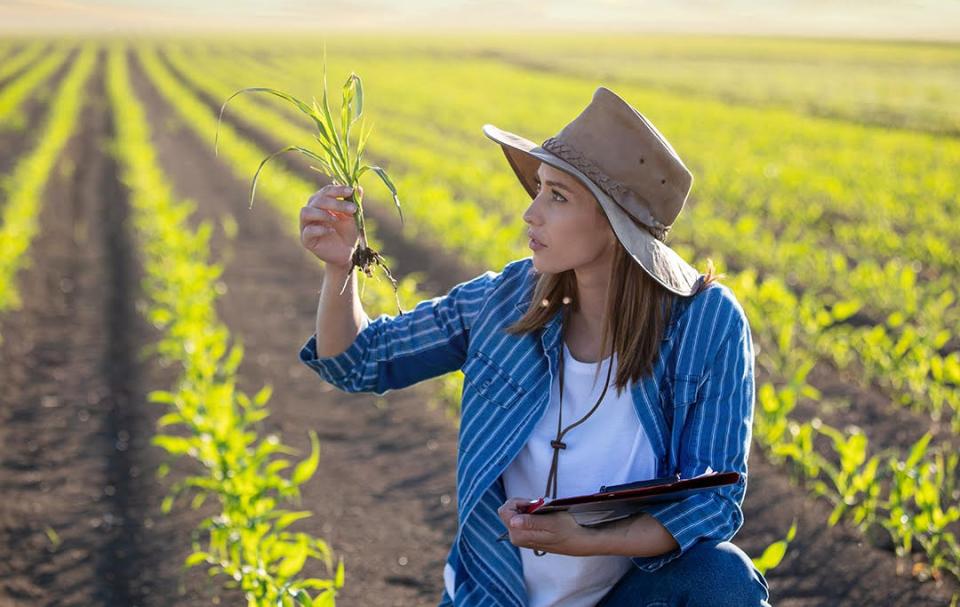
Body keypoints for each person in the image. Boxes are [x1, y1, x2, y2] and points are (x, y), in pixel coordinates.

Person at [297, 86, 771, 606]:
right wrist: (340, 268)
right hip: (498, 595)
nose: (531, 213)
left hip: (625, 595)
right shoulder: (504, 300)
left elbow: (713, 504)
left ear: (614, 227)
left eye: (558, 196)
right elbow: (358, 361)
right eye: (539, 189)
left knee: (721, 577)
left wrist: (587, 541)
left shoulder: (705, 323)